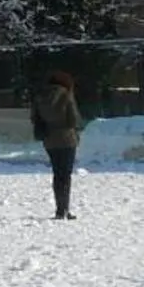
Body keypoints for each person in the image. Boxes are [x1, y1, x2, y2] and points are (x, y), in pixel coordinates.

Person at [32, 71, 84, 219]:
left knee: (57, 174)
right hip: (67, 139)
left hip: (49, 139)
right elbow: (74, 120)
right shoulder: (66, 95)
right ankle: (64, 209)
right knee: (65, 175)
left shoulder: (40, 97)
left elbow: (34, 118)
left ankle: (59, 209)